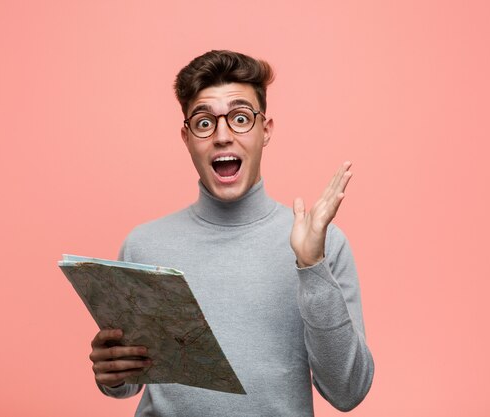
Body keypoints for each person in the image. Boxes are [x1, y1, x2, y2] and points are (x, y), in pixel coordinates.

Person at [88, 50, 374, 416]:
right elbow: (126, 384)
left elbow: (348, 391)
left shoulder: (323, 245)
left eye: (240, 118)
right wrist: (111, 372)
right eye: (205, 123)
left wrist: (311, 266)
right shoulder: (144, 245)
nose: (222, 136)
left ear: (265, 131)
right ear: (187, 137)